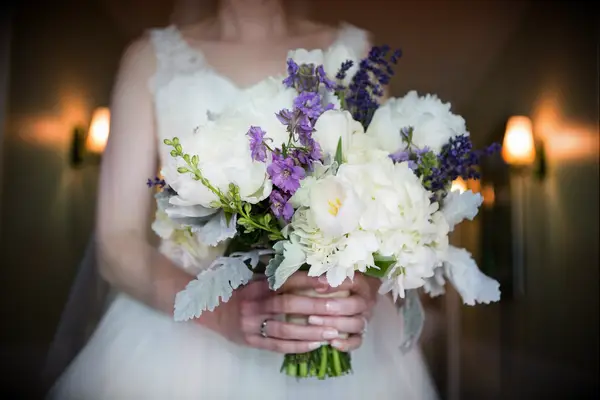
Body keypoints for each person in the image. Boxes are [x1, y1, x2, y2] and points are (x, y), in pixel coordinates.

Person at [47, 0, 439, 398]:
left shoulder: (355, 55)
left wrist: (362, 288)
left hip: (328, 321)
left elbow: (386, 193)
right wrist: (223, 313)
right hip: (183, 343)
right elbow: (118, 241)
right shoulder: (148, 60)